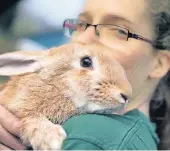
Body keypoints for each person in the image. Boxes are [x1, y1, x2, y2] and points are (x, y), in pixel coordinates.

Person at [0, 0, 170, 149]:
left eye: (119, 30)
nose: (84, 38)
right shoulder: (142, 134)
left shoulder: (91, 136)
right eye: (82, 24)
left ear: (159, 63)